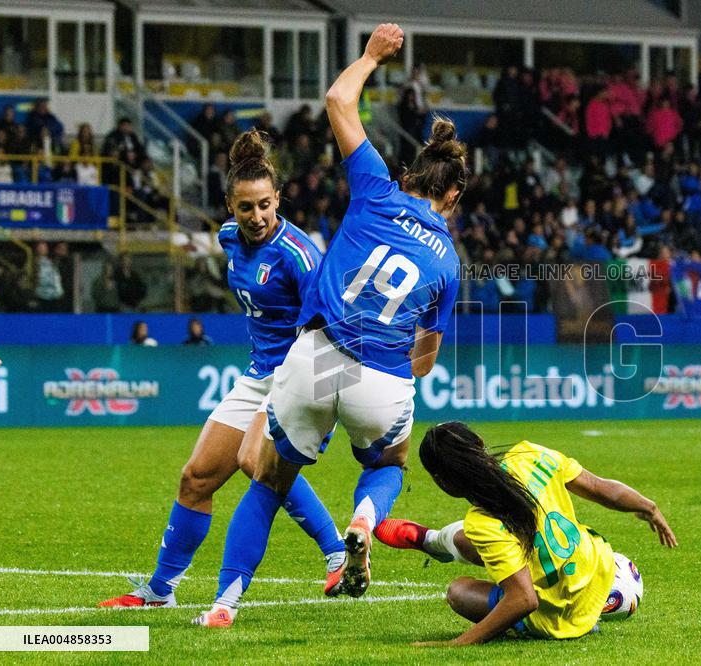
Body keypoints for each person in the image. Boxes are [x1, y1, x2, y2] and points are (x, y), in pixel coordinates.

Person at [193, 23, 462, 627]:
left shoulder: (375, 189)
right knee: (387, 465)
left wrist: (371, 56)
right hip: (384, 375)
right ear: (453, 197)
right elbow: (428, 355)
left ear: (412, 178)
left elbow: (339, 100)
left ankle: (224, 604)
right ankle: (363, 522)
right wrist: (390, 377)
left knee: (267, 479)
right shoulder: (448, 260)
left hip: (316, 354)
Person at [99, 129, 343, 609]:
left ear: (278, 200)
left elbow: (329, 327)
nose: (257, 217)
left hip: (301, 373)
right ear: (230, 207)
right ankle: (160, 590)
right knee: (196, 477)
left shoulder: (300, 256)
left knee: (256, 461)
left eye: (265, 205)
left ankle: (338, 553)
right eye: (246, 207)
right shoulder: (229, 239)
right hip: (259, 374)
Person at [373, 422, 677, 645]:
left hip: (558, 615)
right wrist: (648, 507)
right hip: (598, 569)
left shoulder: (483, 521)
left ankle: (434, 541)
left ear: (444, 483)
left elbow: (524, 600)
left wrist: (457, 643)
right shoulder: (530, 454)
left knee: (459, 591)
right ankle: (431, 540)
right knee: (469, 541)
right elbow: (599, 487)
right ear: (479, 442)